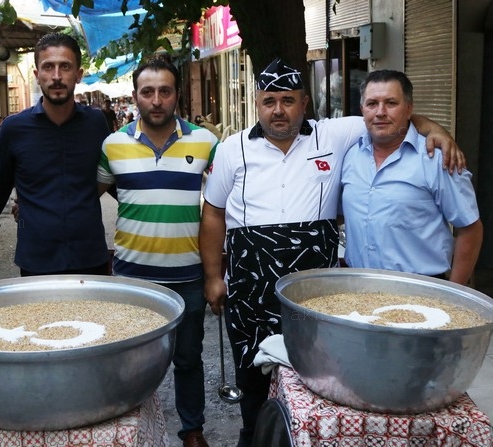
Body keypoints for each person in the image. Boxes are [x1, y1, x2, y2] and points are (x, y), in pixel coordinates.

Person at [198, 58, 464, 447]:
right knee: (252, 373)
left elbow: (390, 116)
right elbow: (213, 214)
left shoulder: (335, 134)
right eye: (269, 100)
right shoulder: (231, 149)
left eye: (288, 100)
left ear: (305, 103)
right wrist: (211, 277)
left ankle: (313, 438)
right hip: (249, 285)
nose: (278, 109)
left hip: (316, 291)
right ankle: (256, 436)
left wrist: (435, 129)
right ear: (257, 102)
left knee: (322, 373)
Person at [97, 58, 218, 447]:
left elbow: (222, 204)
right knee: (130, 365)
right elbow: (87, 197)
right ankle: (129, 434)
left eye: (165, 91)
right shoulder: (113, 146)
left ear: (177, 95)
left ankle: (192, 430)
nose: (156, 100)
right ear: (135, 96)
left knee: (188, 359)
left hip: (188, 276)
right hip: (133, 279)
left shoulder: (205, 142)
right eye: (147, 92)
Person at [0, 32, 110, 276]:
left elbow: (114, 178)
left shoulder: (96, 123)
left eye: (65, 67)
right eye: (48, 67)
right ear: (37, 75)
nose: (56, 76)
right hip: (37, 262)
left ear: (79, 74)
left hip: (90, 258)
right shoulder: (14, 129)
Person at [341, 69, 483, 284]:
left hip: (421, 290)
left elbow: (470, 229)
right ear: (362, 109)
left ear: (409, 109)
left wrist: (454, 292)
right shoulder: (349, 155)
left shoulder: (438, 160)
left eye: (391, 103)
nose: (380, 112)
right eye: (372, 104)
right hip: (358, 288)